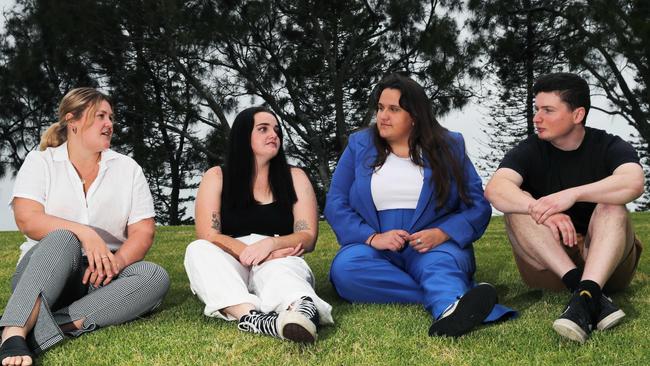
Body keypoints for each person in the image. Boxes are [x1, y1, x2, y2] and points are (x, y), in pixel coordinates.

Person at [325, 73, 515, 338]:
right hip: (377, 246)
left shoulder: (449, 145)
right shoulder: (359, 145)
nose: (383, 116)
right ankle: (458, 299)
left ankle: (448, 309)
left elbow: (477, 205)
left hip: (432, 243)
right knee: (346, 270)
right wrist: (371, 238)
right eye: (380, 108)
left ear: (414, 115)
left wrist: (443, 233)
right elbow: (336, 203)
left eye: (393, 109)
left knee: (438, 266)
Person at [0, 88, 170, 365]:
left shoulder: (128, 169)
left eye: (111, 117)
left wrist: (117, 262)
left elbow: (143, 230)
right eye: (100, 116)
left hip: (101, 278)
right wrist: (85, 233)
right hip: (44, 273)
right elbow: (27, 218)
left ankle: (47, 326)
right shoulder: (41, 162)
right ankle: (13, 332)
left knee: (154, 275)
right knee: (64, 238)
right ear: (73, 121)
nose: (109, 124)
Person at [484, 72, 644, 344]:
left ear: (577, 114)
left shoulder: (608, 145)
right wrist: (541, 209)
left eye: (548, 110)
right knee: (517, 205)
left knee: (612, 205)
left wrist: (572, 195)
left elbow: (633, 181)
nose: (537, 118)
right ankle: (585, 292)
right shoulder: (530, 150)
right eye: (537, 109)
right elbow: (496, 190)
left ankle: (586, 293)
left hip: (609, 262)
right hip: (552, 264)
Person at [184, 106, 333, 344]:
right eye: (263, 129)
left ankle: (301, 310)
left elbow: (307, 235)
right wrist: (251, 253)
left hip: (279, 256)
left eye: (276, 130)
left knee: (281, 271)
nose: (273, 134)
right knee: (197, 250)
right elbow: (207, 234)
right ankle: (253, 318)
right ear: (243, 136)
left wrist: (271, 244)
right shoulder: (217, 176)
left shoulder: (295, 177)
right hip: (232, 259)